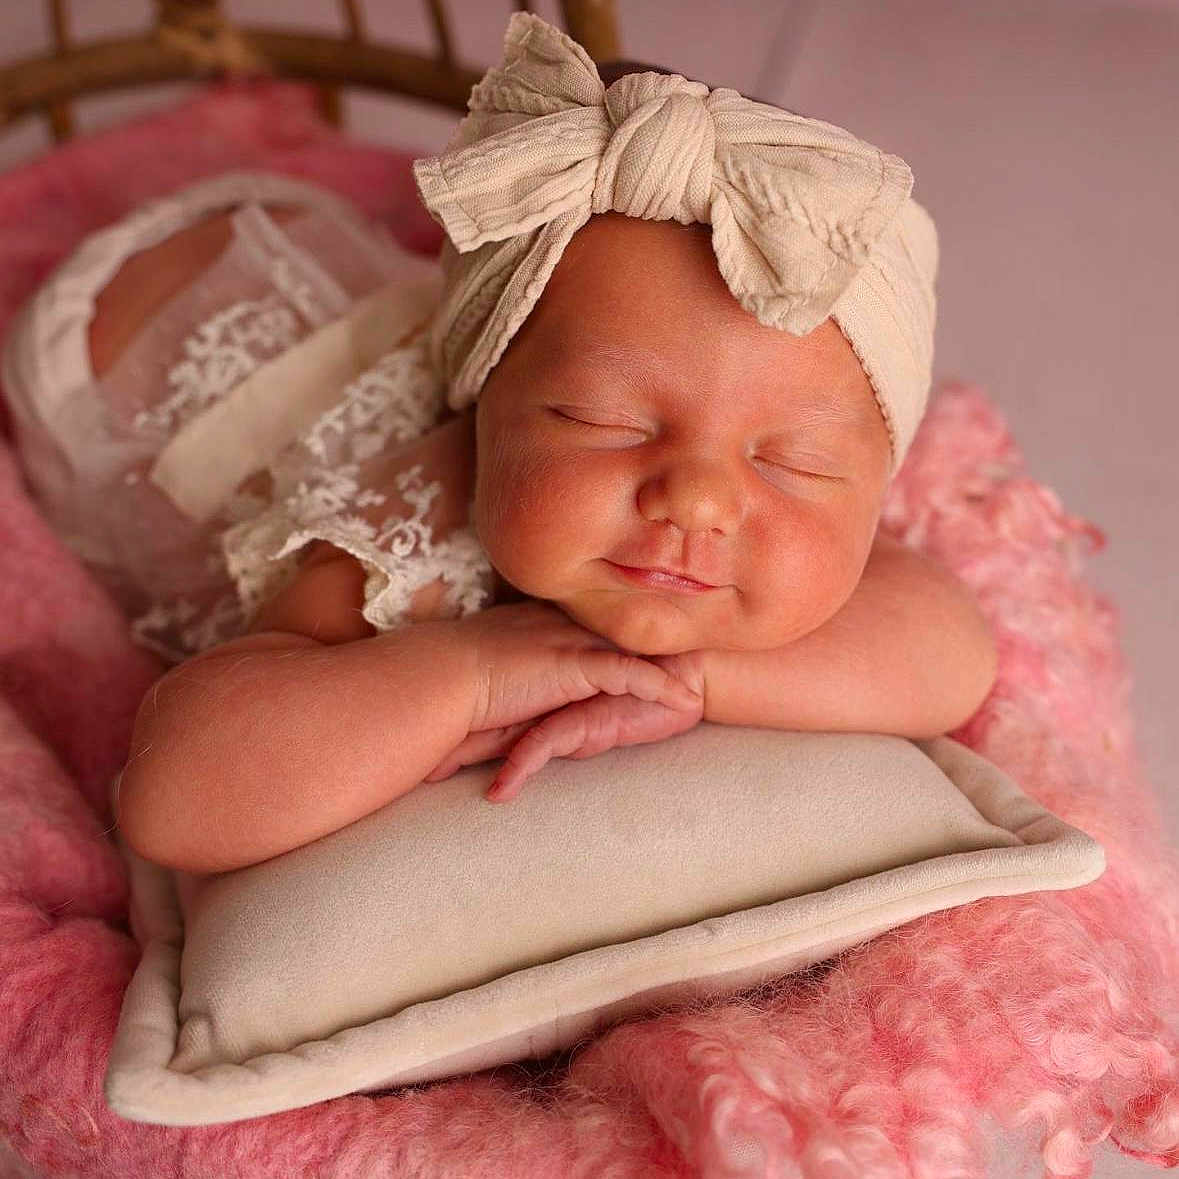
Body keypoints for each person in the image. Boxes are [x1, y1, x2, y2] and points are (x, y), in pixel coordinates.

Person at [1, 14, 997, 875]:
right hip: (137, 351)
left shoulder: (778, 538)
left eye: (795, 462)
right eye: (602, 421)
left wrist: (687, 683)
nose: (697, 499)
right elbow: (177, 801)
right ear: (486, 414)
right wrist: (469, 673)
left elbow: (952, 650)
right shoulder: (399, 550)